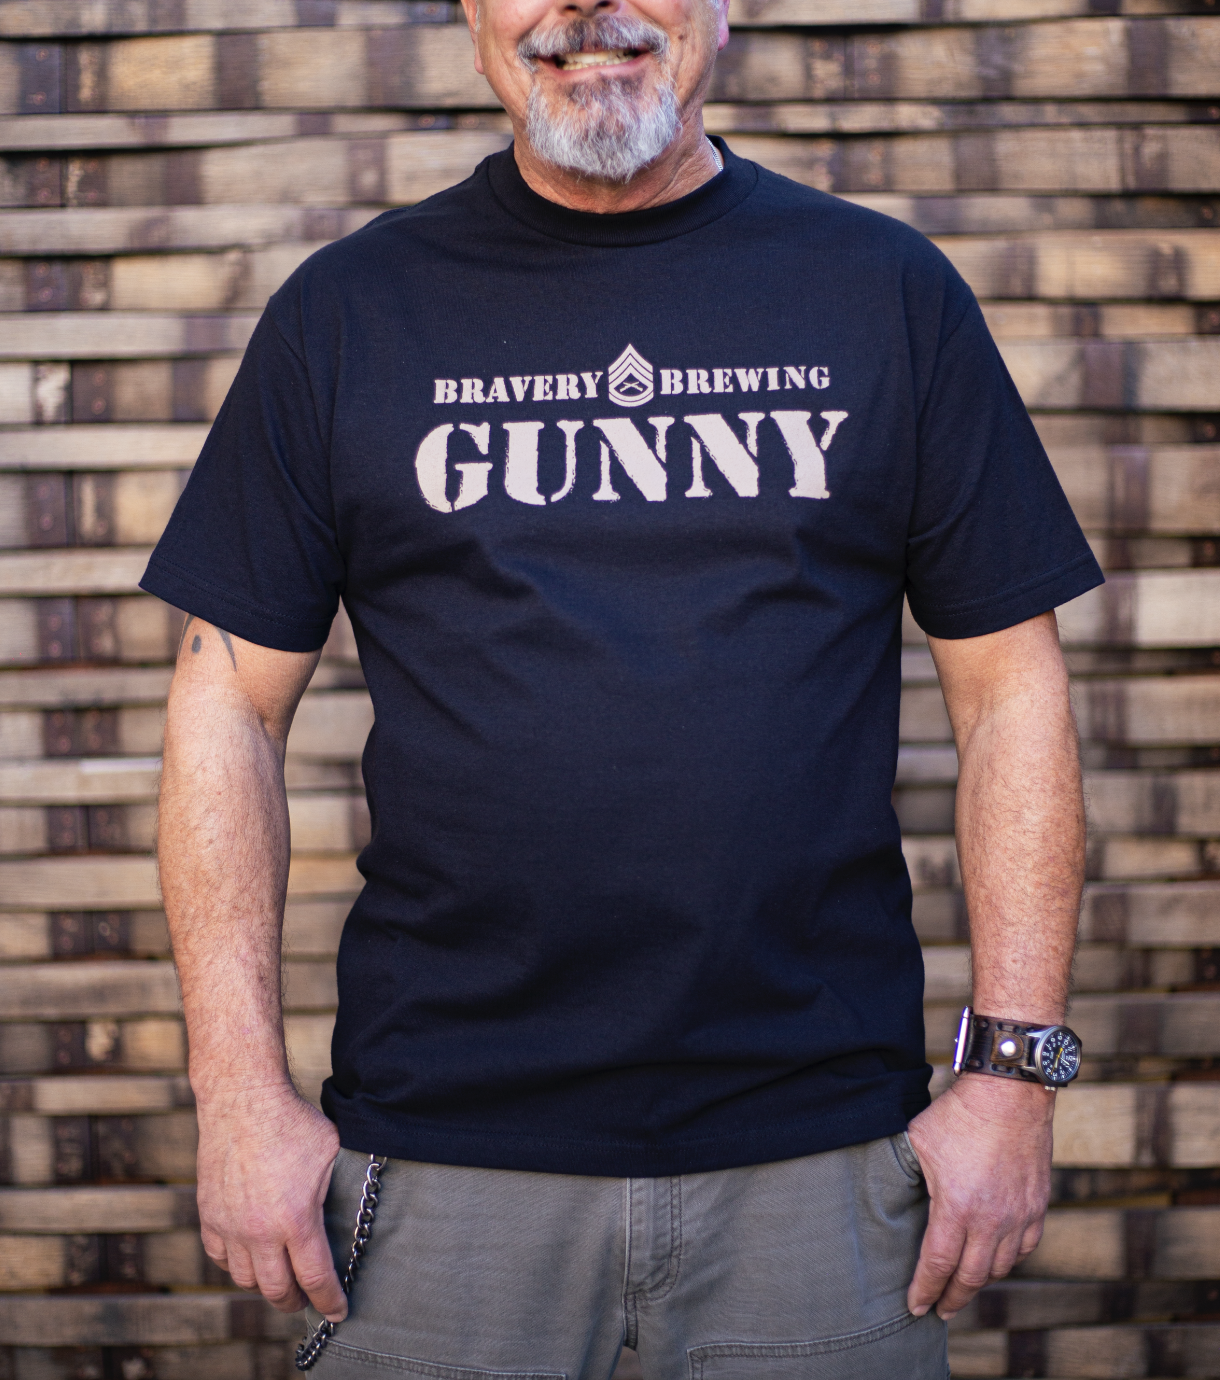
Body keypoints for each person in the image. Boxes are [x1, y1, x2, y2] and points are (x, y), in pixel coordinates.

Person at [143, 0, 1104, 1370]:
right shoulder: (348, 314)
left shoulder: (884, 292)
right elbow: (227, 706)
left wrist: (1012, 1078)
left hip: (822, 1161)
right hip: (442, 1166)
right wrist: (237, 1093)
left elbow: (1011, 691)